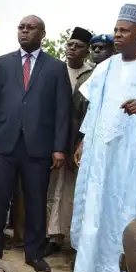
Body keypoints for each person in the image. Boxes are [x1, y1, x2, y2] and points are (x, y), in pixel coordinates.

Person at [70, 4, 136, 272]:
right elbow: (93, 109)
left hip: (133, 153)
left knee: (127, 209)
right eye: (116, 29)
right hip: (101, 153)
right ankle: (92, 268)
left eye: (125, 30)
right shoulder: (104, 67)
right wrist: (83, 140)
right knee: (97, 206)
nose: (118, 35)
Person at [0, 15, 71, 272]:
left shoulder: (56, 67)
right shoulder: (1, 64)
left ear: (43, 33)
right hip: (1, 144)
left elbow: (63, 110)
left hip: (38, 146)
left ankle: (34, 253)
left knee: (36, 201)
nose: (25, 31)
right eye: (21, 27)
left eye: (31, 28)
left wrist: (59, 147)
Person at [46, 26, 94, 256]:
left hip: (77, 140)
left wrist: (80, 142)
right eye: (70, 45)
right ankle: (49, 235)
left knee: (70, 191)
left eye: (79, 46)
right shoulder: (54, 69)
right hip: (52, 139)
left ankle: (66, 237)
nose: (73, 49)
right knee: (50, 188)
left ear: (87, 51)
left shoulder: (92, 74)